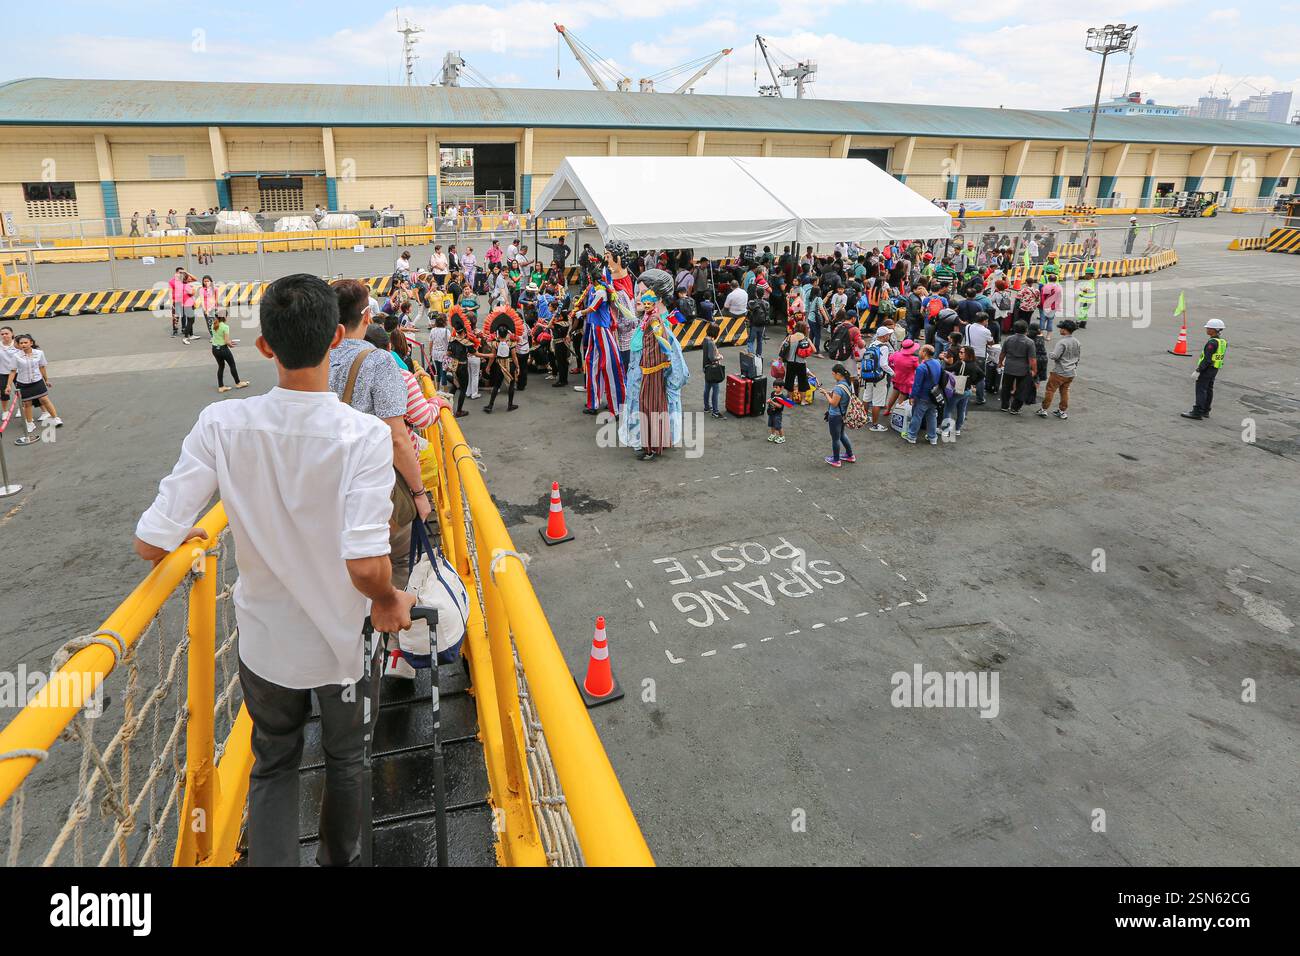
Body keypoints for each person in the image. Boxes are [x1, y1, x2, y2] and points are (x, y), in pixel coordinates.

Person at [133, 273, 416, 868]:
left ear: (264, 346)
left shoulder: (221, 424)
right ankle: (340, 861)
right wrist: (390, 601)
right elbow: (366, 565)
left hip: (263, 643)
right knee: (346, 763)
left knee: (274, 763)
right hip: (340, 643)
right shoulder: (362, 436)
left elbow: (150, 540)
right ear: (337, 338)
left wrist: (181, 541)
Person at [330, 279, 434, 591]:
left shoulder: (316, 356)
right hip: (376, 487)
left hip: (329, 484)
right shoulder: (379, 360)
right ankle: (388, 625)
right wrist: (418, 493)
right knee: (397, 560)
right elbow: (398, 437)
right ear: (365, 317)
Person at [619, 269, 689, 462]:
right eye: (637, 293)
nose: (637, 298)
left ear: (657, 297)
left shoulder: (659, 326)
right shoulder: (647, 320)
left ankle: (651, 443)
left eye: (642, 293)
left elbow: (678, 370)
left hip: (650, 386)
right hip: (638, 385)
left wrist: (669, 389)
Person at [6, 334, 62, 443]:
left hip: (37, 381)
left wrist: (46, 380)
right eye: (21, 343)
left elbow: (42, 367)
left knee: (45, 399)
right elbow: (12, 371)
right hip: (23, 383)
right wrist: (8, 385)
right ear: (18, 345)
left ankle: (55, 418)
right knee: (27, 404)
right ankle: (30, 423)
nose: (23, 345)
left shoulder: (39, 353)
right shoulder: (16, 356)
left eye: (25, 342)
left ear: (31, 343)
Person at [1182, 318, 1226, 421]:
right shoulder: (1222, 342)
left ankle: (1197, 412)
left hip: (1207, 369)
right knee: (1209, 389)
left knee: (1201, 389)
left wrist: (1198, 370)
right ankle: (1206, 410)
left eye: (1208, 328)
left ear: (1213, 330)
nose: (1206, 330)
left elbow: (1207, 359)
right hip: (1215, 369)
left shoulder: (1212, 343)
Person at [1037, 319, 1080, 420]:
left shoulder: (1062, 342)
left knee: (1050, 390)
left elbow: (1055, 356)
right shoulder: (1077, 342)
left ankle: (1044, 409)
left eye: (1061, 328)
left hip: (1059, 371)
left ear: (1065, 330)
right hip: (1071, 372)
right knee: (1064, 391)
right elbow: (1078, 357)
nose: (1060, 329)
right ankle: (1062, 411)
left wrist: (1050, 354)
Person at [904, 345, 943, 446]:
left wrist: (912, 396)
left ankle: (912, 436)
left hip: (923, 396)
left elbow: (917, 385)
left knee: (917, 416)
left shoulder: (921, 368)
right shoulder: (937, 362)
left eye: (921, 350)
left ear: (925, 353)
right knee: (932, 416)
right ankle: (932, 437)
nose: (919, 351)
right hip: (934, 395)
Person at [998, 320, 1037, 415]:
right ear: (1026, 329)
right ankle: (1015, 408)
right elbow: (1032, 359)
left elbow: (1003, 353)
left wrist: (1000, 363)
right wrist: (1034, 370)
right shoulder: (1029, 342)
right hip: (1023, 369)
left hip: (1009, 367)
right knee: (1021, 389)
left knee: (1006, 387)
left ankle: (1004, 405)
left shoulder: (1008, 339)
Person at [821, 363, 856, 466]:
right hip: (843, 414)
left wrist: (826, 394)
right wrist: (828, 392)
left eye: (833, 374)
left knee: (835, 438)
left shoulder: (838, 387)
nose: (833, 376)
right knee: (842, 435)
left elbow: (833, 403)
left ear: (838, 374)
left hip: (835, 415)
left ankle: (836, 460)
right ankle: (850, 455)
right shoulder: (848, 383)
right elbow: (839, 396)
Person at [946, 346, 983, 438]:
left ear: (967, 354)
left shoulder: (960, 363)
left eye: (962, 352)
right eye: (960, 352)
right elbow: (982, 375)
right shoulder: (974, 364)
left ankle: (945, 430)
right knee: (961, 410)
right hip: (967, 391)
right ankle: (957, 429)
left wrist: (943, 359)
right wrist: (973, 382)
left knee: (947, 410)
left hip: (958, 390)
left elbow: (949, 369)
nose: (959, 354)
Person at [861, 326, 894, 431]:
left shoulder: (872, 344)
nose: (889, 336)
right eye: (888, 334)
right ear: (884, 336)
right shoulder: (884, 347)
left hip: (868, 376)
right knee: (877, 402)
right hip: (879, 377)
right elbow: (883, 364)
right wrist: (893, 373)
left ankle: (865, 418)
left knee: (867, 397)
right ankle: (875, 425)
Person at [481, 326, 519, 414]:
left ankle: (490, 405)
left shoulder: (495, 344)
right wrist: (517, 366)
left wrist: (488, 366)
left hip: (499, 366)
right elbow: (514, 357)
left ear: (498, 334)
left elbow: (492, 357)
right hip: (510, 365)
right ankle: (510, 405)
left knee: (496, 385)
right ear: (507, 334)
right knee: (511, 384)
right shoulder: (511, 344)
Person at [210, 310, 249, 393]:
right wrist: (231, 344)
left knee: (221, 367)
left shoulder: (213, 325)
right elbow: (227, 341)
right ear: (224, 317)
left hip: (215, 349)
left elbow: (218, 337)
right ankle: (238, 383)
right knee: (232, 365)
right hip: (223, 349)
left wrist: (228, 342)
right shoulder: (225, 327)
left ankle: (221, 386)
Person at [884, 338, 919, 416]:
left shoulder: (896, 354)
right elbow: (919, 369)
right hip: (907, 382)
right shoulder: (914, 359)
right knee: (901, 400)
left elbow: (889, 360)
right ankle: (899, 415)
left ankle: (888, 410)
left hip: (896, 379)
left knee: (893, 395)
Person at [779, 321, 813, 401]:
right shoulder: (806, 338)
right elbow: (814, 349)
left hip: (790, 362)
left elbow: (782, 347)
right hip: (801, 362)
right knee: (802, 381)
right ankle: (803, 400)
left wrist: (780, 360)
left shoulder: (790, 337)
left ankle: (790, 399)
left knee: (790, 380)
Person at [702, 321, 724, 419]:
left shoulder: (705, 340)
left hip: (706, 368)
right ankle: (715, 411)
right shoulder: (710, 343)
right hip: (712, 369)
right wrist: (719, 357)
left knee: (707, 389)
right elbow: (712, 357)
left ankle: (707, 407)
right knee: (715, 390)